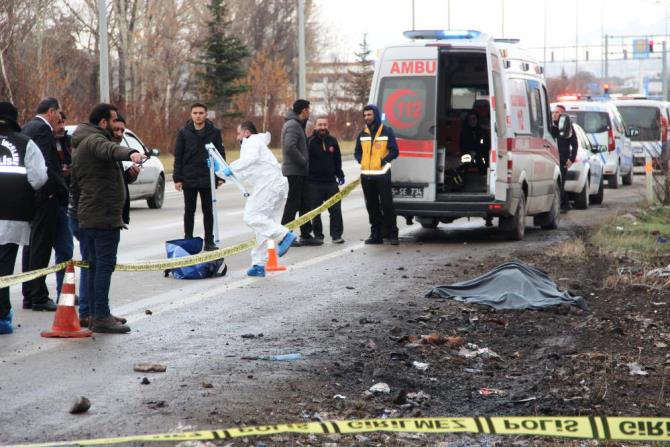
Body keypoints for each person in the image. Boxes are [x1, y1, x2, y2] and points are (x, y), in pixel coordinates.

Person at [71, 103, 145, 333]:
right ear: (103, 122)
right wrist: (131, 153)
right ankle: (100, 316)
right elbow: (110, 150)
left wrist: (127, 174)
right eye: (114, 121)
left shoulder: (87, 141)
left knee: (94, 266)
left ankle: (95, 313)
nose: (118, 127)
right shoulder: (94, 140)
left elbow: (92, 179)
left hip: (93, 215)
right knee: (103, 267)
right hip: (101, 218)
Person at [221, 122, 296, 277]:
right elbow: (241, 174)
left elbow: (248, 160)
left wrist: (232, 166)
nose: (237, 137)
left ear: (246, 133)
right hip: (274, 186)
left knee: (251, 217)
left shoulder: (252, 141)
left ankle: (284, 235)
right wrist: (219, 171)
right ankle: (259, 264)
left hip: (269, 185)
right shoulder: (255, 147)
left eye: (238, 133)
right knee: (262, 224)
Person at [0, 102, 48, 334]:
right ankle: (1, 316)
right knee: (3, 268)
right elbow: (39, 177)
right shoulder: (25, 143)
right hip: (12, 216)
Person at [21, 97, 68, 311]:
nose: (60, 117)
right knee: (40, 246)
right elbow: (45, 164)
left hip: (30, 196)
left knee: (31, 245)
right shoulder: (41, 129)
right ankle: (38, 295)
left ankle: (29, 294)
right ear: (51, 111)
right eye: (59, 112)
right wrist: (56, 190)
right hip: (44, 197)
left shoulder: (28, 127)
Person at [173, 103, 225, 251]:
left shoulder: (214, 132)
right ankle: (188, 239)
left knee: (208, 210)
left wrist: (219, 176)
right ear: (191, 115)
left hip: (207, 177)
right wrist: (178, 178)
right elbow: (179, 156)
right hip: (189, 177)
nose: (198, 115)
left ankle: (209, 241)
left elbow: (220, 154)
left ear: (206, 114)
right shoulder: (183, 132)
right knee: (189, 210)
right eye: (195, 113)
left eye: (201, 113)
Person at [354, 104, 399, 245]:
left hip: (382, 175)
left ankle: (392, 234)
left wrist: (383, 161)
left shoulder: (387, 131)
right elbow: (357, 152)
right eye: (365, 115)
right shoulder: (362, 133)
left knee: (387, 205)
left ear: (376, 115)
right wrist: (362, 160)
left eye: (369, 115)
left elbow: (394, 151)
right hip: (366, 176)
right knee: (372, 207)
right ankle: (376, 235)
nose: (366, 118)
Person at [280, 99, 322, 246]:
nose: (309, 113)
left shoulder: (297, 124)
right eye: (308, 110)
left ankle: (306, 234)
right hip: (295, 171)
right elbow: (289, 147)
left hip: (300, 171)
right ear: (303, 110)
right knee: (293, 204)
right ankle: (285, 236)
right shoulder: (292, 125)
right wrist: (303, 161)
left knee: (305, 203)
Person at [307, 117, 345, 244]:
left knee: (335, 210)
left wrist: (340, 175)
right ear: (315, 127)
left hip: (331, 183)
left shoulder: (333, 141)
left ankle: (336, 235)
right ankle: (318, 236)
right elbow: (305, 162)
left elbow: (337, 160)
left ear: (327, 126)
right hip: (314, 183)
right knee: (315, 212)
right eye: (320, 125)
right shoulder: (309, 142)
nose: (322, 127)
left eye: (324, 125)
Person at [52, 111, 74, 300]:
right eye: (58, 123)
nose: (61, 127)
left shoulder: (67, 141)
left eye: (63, 123)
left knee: (65, 249)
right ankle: (34, 294)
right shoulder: (45, 141)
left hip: (64, 201)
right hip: (49, 202)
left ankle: (64, 291)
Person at [551, 105, 578, 213]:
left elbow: (575, 144)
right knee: (557, 183)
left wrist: (571, 159)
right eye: (554, 112)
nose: (554, 114)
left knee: (561, 183)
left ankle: (562, 206)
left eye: (557, 112)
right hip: (552, 158)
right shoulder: (550, 126)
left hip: (562, 159)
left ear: (563, 114)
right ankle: (566, 205)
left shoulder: (567, 127)